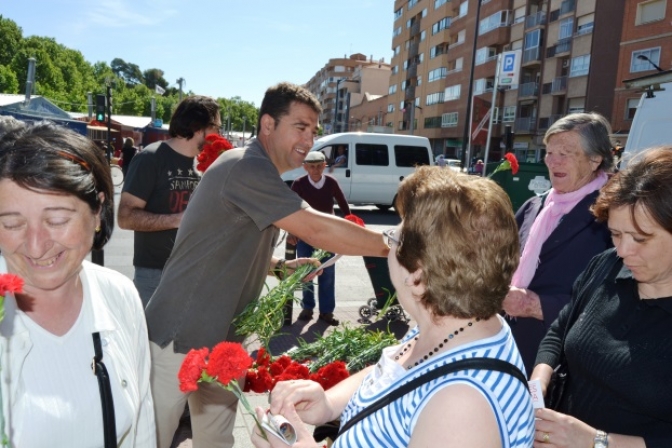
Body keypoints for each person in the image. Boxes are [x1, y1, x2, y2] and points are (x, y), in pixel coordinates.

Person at [145, 82, 389, 448]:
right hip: (178, 335)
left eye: (314, 131)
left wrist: (276, 266)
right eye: (300, 127)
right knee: (150, 439)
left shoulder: (260, 171)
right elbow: (316, 228)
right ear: (268, 125)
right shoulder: (246, 165)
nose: (309, 140)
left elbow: (224, 241)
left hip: (223, 340)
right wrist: (393, 245)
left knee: (216, 442)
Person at [252, 167, 535, 448]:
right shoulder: (450, 324)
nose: (388, 246)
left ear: (418, 278)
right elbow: (392, 371)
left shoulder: (462, 406)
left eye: (392, 239)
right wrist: (329, 403)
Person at [0, 122, 155, 447]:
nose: (36, 246)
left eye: (57, 220)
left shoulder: (119, 295)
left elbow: (142, 427)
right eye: (12, 223)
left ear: (97, 211)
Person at [531, 146, 672, 447]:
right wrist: (539, 381)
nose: (623, 251)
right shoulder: (605, 266)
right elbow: (560, 330)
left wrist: (597, 442)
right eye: (616, 234)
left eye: (640, 238)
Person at [502, 112, 614, 374]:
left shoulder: (612, 216)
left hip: (562, 364)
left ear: (595, 159)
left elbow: (616, 299)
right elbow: (501, 263)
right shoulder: (534, 206)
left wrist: (539, 306)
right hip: (510, 349)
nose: (553, 162)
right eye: (549, 153)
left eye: (565, 153)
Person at [117, 95, 221, 306]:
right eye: (216, 127)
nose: (219, 134)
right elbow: (125, 217)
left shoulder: (206, 163)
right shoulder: (150, 158)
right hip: (156, 275)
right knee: (152, 330)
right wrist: (178, 219)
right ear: (198, 126)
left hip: (198, 272)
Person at [289, 151, 351, 326]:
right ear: (305, 167)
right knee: (306, 272)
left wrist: (351, 221)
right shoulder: (299, 184)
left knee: (327, 273)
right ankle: (307, 308)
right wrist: (290, 231)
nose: (315, 170)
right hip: (305, 234)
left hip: (328, 235)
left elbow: (342, 202)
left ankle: (326, 312)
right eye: (312, 167)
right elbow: (290, 207)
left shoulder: (331, 182)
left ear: (324, 166)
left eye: (319, 166)